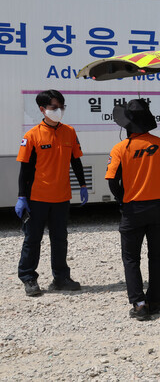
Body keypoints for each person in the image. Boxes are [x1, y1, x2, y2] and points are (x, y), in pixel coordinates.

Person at [106, 99, 160, 321]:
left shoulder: (121, 148)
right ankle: (155, 300)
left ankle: (139, 304)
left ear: (127, 125)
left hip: (133, 210)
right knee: (157, 256)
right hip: (159, 208)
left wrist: (122, 199)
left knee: (131, 258)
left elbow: (112, 180)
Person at [16, 89, 88, 297]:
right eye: (54, 107)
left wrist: (83, 185)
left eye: (61, 107)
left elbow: (76, 160)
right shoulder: (32, 136)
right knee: (32, 239)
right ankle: (28, 277)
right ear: (42, 109)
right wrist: (22, 196)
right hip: (37, 198)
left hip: (61, 197)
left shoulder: (69, 132)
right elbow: (25, 170)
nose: (58, 110)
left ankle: (61, 277)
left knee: (60, 239)